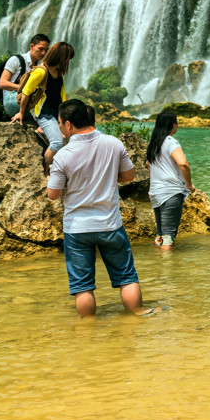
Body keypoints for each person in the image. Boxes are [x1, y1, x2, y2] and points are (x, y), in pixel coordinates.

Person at [46, 99, 154, 317]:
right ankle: (139, 315)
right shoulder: (113, 143)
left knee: (82, 286)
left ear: (68, 125)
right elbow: (128, 176)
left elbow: (53, 194)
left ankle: (89, 334)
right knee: (126, 277)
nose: (59, 128)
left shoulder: (63, 155)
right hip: (109, 224)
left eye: (59, 123)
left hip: (77, 228)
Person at [14, 41, 74, 172]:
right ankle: (46, 170)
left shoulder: (59, 73)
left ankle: (44, 131)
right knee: (58, 142)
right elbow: (26, 93)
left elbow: (63, 95)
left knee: (70, 140)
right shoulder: (41, 71)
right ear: (61, 58)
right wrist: (21, 113)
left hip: (56, 113)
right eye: (67, 58)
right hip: (43, 113)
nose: (68, 62)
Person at [146, 110, 195, 250]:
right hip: (170, 193)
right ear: (172, 124)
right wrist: (189, 185)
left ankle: (159, 266)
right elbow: (183, 164)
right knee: (168, 237)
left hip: (156, 193)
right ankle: (167, 269)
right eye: (177, 122)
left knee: (161, 235)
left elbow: (148, 165)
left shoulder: (155, 143)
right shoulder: (170, 141)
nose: (177, 125)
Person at [0, 34, 50, 119]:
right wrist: (24, 88)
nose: (43, 53)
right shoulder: (16, 60)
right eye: (41, 49)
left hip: (27, 100)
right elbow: (2, 83)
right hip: (11, 100)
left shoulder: (41, 66)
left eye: (46, 50)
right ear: (32, 46)